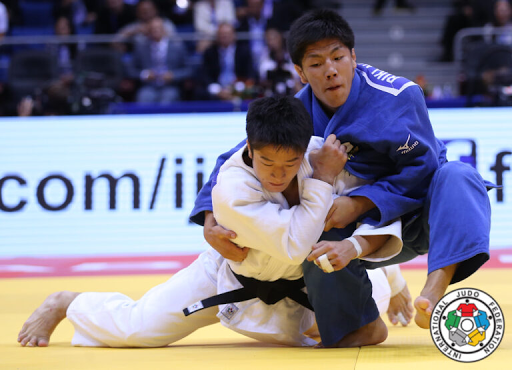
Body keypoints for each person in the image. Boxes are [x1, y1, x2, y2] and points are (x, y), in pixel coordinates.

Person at [190, 9, 493, 346]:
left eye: (337, 57)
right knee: (315, 227)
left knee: (458, 175)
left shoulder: (399, 96)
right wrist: (209, 217)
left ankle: (435, 289)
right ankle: (356, 324)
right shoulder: (297, 111)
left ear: (353, 57)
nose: (330, 70)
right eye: (316, 63)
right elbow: (236, 158)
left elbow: (423, 169)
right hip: (359, 230)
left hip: (418, 216)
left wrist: (359, 202)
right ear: (301, 73)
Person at [18, 96, 411, 348]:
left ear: (303, 149)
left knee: (352, 275)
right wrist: (322, 182)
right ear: (249, 148)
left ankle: (392, 280)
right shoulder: (231, 188)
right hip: (232, 277)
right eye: (266, 163)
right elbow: (295, 242)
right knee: (139, 329)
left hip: (307, 285)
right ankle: (68, 303)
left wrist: (392, 277)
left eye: (289, 164)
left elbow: (368, 211)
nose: (277, 174)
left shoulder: (322, 157)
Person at [127, 17, 191, 104]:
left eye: (158, 28)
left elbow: (188, 70)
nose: (155, 31)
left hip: (170, 86)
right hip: (148, 86)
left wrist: (173, 75)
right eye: (153, 29)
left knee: (167, 101)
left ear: (164, 30)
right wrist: (144, 75)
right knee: (143, 99)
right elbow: (131, 70)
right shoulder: (141, 47)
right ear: (148, 31)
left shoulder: (177, 47)